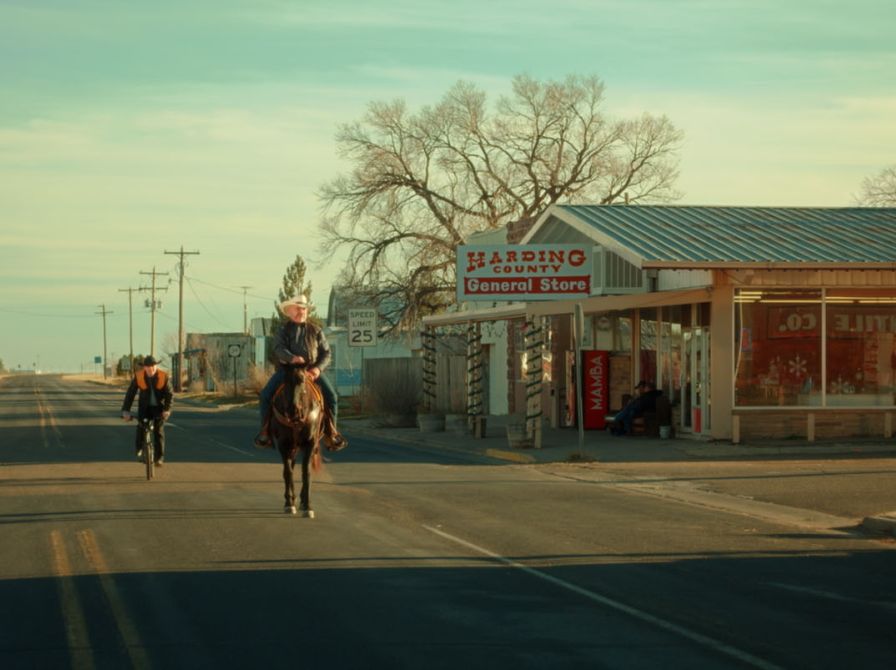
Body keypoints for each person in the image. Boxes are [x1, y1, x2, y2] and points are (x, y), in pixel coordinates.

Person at [254, 295, 346, 451]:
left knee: (332, 397)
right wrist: (291, 358)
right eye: (297, 308)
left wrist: (317, 369)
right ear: (289, 311)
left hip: (311, 372)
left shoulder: (316, 331)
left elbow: (326, 353)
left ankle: (332, 433)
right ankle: (265, 432)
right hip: (287, 371)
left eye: (303, 309)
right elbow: (278, 348)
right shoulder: (283, 330)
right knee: (265, 395)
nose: (301, 311)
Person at [121, 355, 173, 465]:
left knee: (158, 431)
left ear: (156, 366)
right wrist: (126, 410)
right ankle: (139, 449)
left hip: (159, 409)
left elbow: (169, 394)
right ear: (144, 367)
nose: (151, 368)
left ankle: (159, 458)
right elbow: (130, 393)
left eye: (153, 366)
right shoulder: (139, 376)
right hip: (144, 408)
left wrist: (167, 409)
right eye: (148, 366)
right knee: (141, 427)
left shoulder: (163, 376)